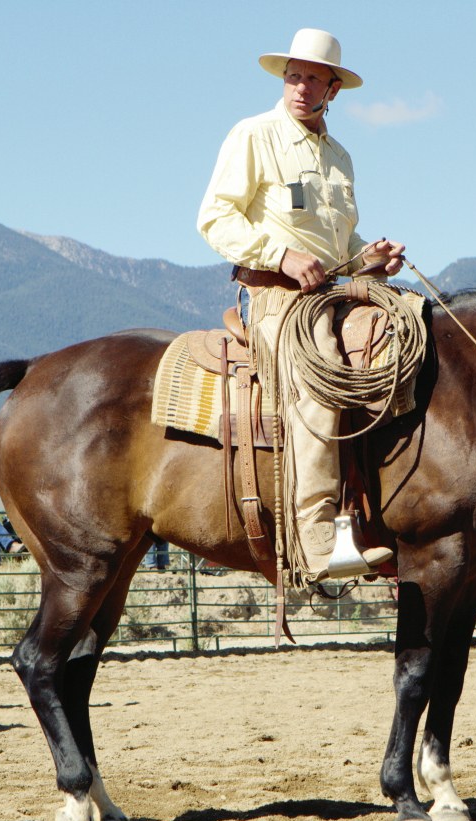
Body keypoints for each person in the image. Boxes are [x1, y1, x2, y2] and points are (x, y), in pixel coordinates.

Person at [196, 27, 403, 582]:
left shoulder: (339, 155)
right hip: (272, 295)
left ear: (334, 89)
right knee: (320, 381)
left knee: (405, 343)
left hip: (332, 292)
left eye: (314, 78)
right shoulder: (254, 135)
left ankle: (384, 516)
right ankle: (314, 542)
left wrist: (371, 258)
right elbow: (214, 219)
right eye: (294, 75)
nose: (301, 87)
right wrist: (281, 255)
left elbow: (341, 247)